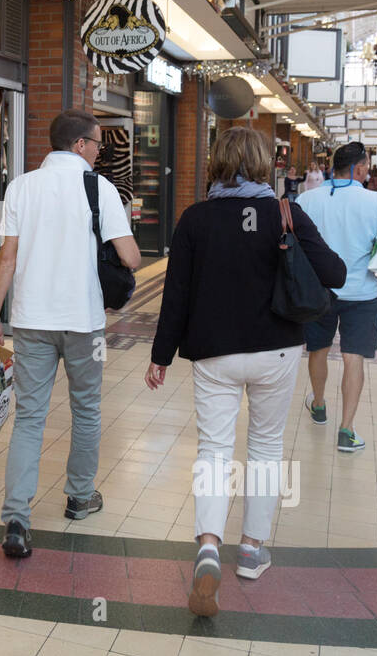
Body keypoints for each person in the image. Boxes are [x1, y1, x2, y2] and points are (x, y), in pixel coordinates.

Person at [146, 128, 345, 617]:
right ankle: (252, 551)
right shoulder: (285, 213)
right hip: (276, 350)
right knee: (266, 447)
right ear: (263, 163)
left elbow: (176, 296)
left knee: (214, 449)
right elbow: (335, 274)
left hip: (214, 352)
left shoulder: (195, 219)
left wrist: (161, 355)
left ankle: (209, 547)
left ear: (216, 162)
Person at [0, 111, 139, 559]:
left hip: (32, 321)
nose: (98, 152)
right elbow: (129, 256)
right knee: (86, 410)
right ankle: (79, 497)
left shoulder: (22, 186)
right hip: (84, 322)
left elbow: (7, 258)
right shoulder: (100, 189)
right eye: (96, 144)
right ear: (79, 145)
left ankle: (16, 518)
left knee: (30, 417)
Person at [297, 141, 377, 454]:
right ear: (359, 168)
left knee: (317, 349)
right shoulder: (375, 202)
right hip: (363, 293)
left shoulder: (307, 199)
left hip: (320, 291)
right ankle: (346, 430)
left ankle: (318, 405)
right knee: (353, 356)